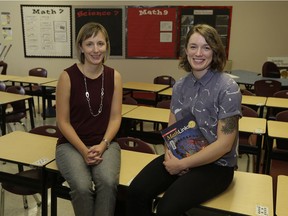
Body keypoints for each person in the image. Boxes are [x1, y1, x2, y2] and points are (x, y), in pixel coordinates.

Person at [126, 24, 242, 216]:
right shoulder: (180, 86)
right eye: (193, 46)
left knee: (166, 209)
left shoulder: (228, 88)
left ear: (215, 51)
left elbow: (225, 145)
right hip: (182, 155)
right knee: (136, 192)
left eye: (206, 47)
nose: (199, 53)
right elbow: (171, 129)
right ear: (186, 50)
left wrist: (182, 165)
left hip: (216, 166)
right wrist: (170, 156)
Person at [55, 22, 122, 216]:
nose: (95, 49)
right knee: (82, 187)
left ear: (107, 46)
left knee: (108, 183)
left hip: (106, 143)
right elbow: (63, 122)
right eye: (89, 44)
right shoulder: (67, 76)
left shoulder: (114, 76)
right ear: (80, 47)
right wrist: (84, 150)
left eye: (100, 43)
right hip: (71, 144)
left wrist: (103, 144)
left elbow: (116, 118)